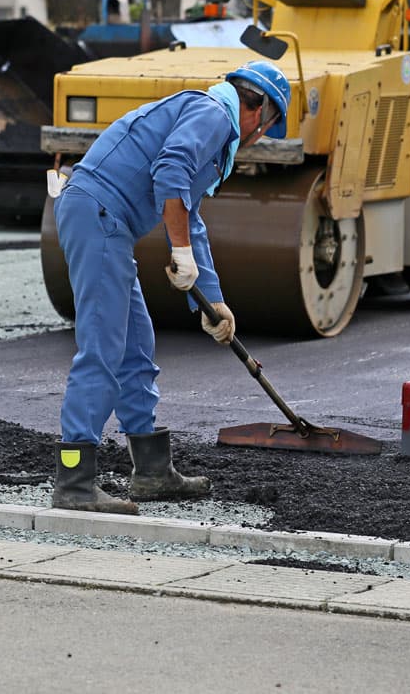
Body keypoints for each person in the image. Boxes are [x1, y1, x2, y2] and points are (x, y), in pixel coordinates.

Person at [51, 60, 290, 514]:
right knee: (102, 347)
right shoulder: (215, 115)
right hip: (97, 215)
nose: (258, 139)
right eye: (267, 128)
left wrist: (212, 301)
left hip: (107, 223)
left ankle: (152, 472)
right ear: (261, 113)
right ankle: (74, 481)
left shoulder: (208, 119)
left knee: (137, 348)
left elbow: (190, 217)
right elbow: (170, 174)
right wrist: (179, 253)